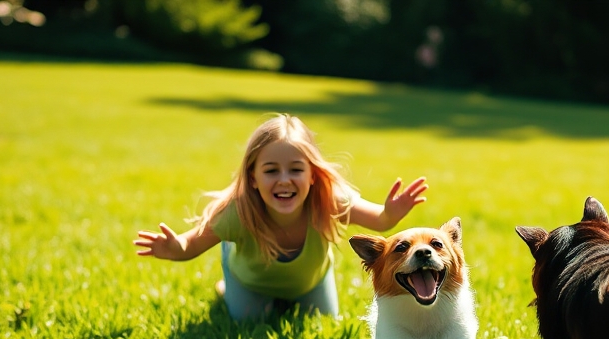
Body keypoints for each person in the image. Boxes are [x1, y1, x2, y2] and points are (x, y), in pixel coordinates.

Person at [134, 114, 428, 320]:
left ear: (312, 175)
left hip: (309, 282)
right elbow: (191, 246)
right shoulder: (237, 213)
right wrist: (175, 249)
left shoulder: (328, 200)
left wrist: (390, 212)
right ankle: (228, 287)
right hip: (251, 282)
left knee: (324, 321)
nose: (284, 180)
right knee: (249, 322)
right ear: (253, 178)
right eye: (271, 170)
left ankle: (292, 297)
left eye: (296, 170)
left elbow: (380, 221)